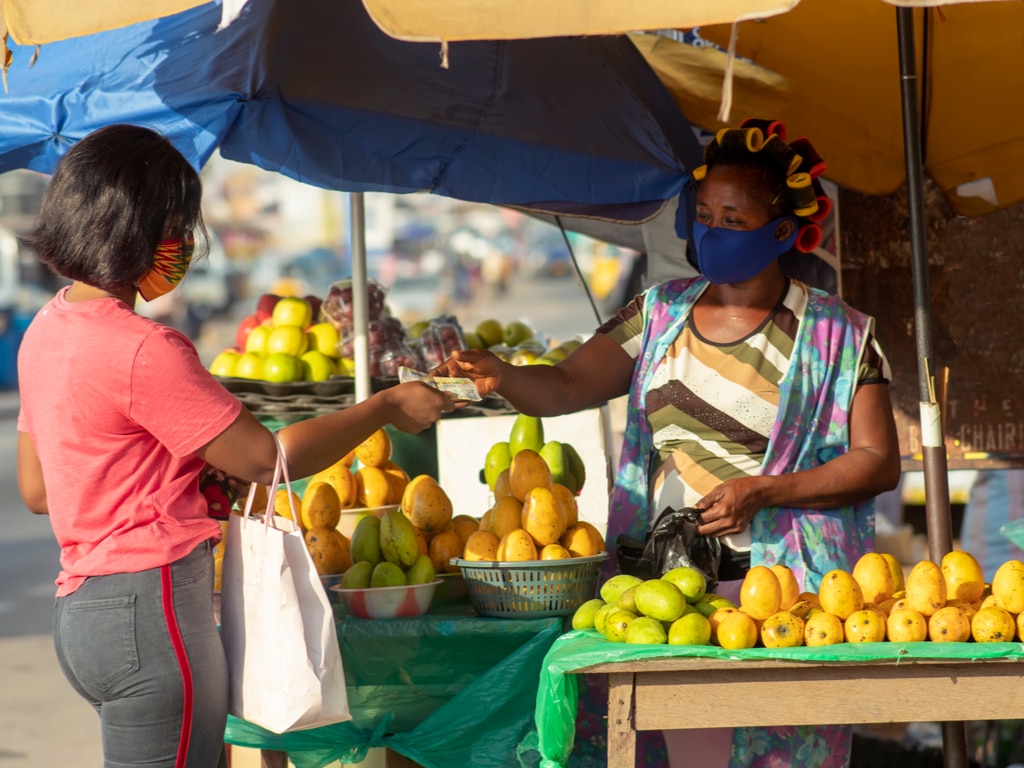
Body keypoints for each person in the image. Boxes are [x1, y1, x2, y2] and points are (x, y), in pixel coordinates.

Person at [434, 118, 901, 768]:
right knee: (684, 748)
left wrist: (765, 491)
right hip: (666, 584)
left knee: (777, 749)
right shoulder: (659, 313)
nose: (711, 230)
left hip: (787, 592)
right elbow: (567, 383)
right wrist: (503, 376)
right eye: (703, 213)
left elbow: (877, 462)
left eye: (732, 219)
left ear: (781, 232)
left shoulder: (840, 335)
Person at [15, 124, 455, 768]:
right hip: (151, 614)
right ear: (135, 227)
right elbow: (264, 460)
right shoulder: (143, 348)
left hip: (83, 618)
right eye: (177, 224)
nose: (185, 243)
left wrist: (170, 472)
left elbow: (38, 491)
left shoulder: (44, 330)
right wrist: (385, 406)